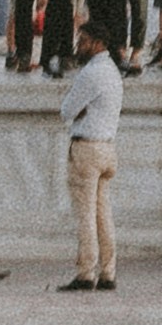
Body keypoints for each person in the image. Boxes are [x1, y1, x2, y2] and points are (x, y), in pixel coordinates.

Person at [61, 19, 122, 290]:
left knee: (86, 214)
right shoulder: (112, 71)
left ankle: (86, 272)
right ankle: (108, 271)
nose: (79, 45)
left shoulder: (91, 73)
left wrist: (79, 114)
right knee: (102, 213)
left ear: (97, 43)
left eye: (83, 41)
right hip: (108, 148)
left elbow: (66, 110)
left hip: (87, 149)